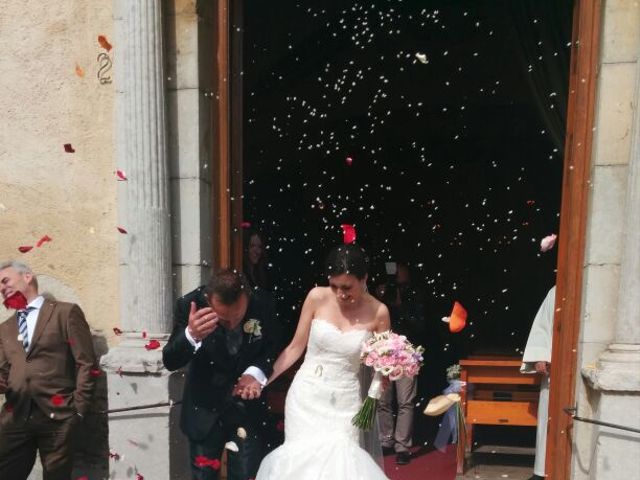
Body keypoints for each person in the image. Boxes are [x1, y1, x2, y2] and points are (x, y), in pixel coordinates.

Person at [256, 244, 391, 480]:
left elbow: (383, 364)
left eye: (347, 287)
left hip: (345, 401)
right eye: (335, 286)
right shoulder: (316, 297)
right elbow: (295, 347)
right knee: (301, 466)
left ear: (364, 278)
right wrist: (262, 380)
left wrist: (384, 379)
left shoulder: (379, 312)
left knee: (341, 465)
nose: (340, 294)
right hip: (306, 396)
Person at [162, 269, 281, 480]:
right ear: (209, 300)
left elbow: (272, 348)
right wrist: (190, 336)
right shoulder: (190, 304)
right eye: (224, 320)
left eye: (238, 317)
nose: (233, 324)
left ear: (247, 297)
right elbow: (170, 360)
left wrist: (255, 373)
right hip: (204, 411)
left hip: (247, 412)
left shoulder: (263, 303)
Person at [0, 260, 97, 480]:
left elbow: (86, 362)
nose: (2, 288)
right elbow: (4, 375)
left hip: (59, 415)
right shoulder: (5, 328)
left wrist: (78, 409)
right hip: (15, 416)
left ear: (27, 277)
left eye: (5, 281)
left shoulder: (65, 313)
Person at [376, 263, 423, 465]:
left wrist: (400, 304)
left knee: (406, 401)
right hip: (383, 351)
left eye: (401, 282)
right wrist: (381, 298)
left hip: (406, 353)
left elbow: (419, 325)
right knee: (382, 400)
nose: (398, 285)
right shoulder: (379, 300)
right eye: (395, 282)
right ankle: (386, 440)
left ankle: (402, 445)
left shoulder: (414, 297)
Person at [520, 285, 556, 480]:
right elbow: (544, 324)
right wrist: (541, 355)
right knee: (548, 418)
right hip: (557, 368)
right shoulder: (557, 291)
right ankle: (542, 471)